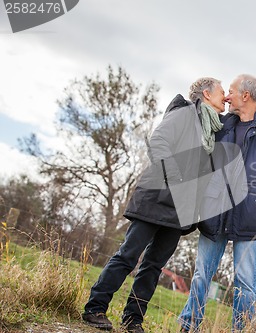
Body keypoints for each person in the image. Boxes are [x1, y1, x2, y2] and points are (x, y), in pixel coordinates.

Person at [81, 77, 227, 333]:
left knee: (153, 266)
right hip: (156, 198)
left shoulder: (210, 128)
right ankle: (95, 308)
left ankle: (133, 320)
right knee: (128, 256)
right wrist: (177, 177)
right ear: (206, 94)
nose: (225, 97)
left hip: (179, 211)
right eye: (222, 92)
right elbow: (158, 141)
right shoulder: (184, 114)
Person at [178, 74, 256, 332]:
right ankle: (188, 326)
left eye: (231, 91)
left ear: (246, 95)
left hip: (251, 216)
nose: (226, 96)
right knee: (201, 275)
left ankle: (240, 330)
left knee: (245, 283)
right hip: (215, 210)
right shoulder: (223, 124)